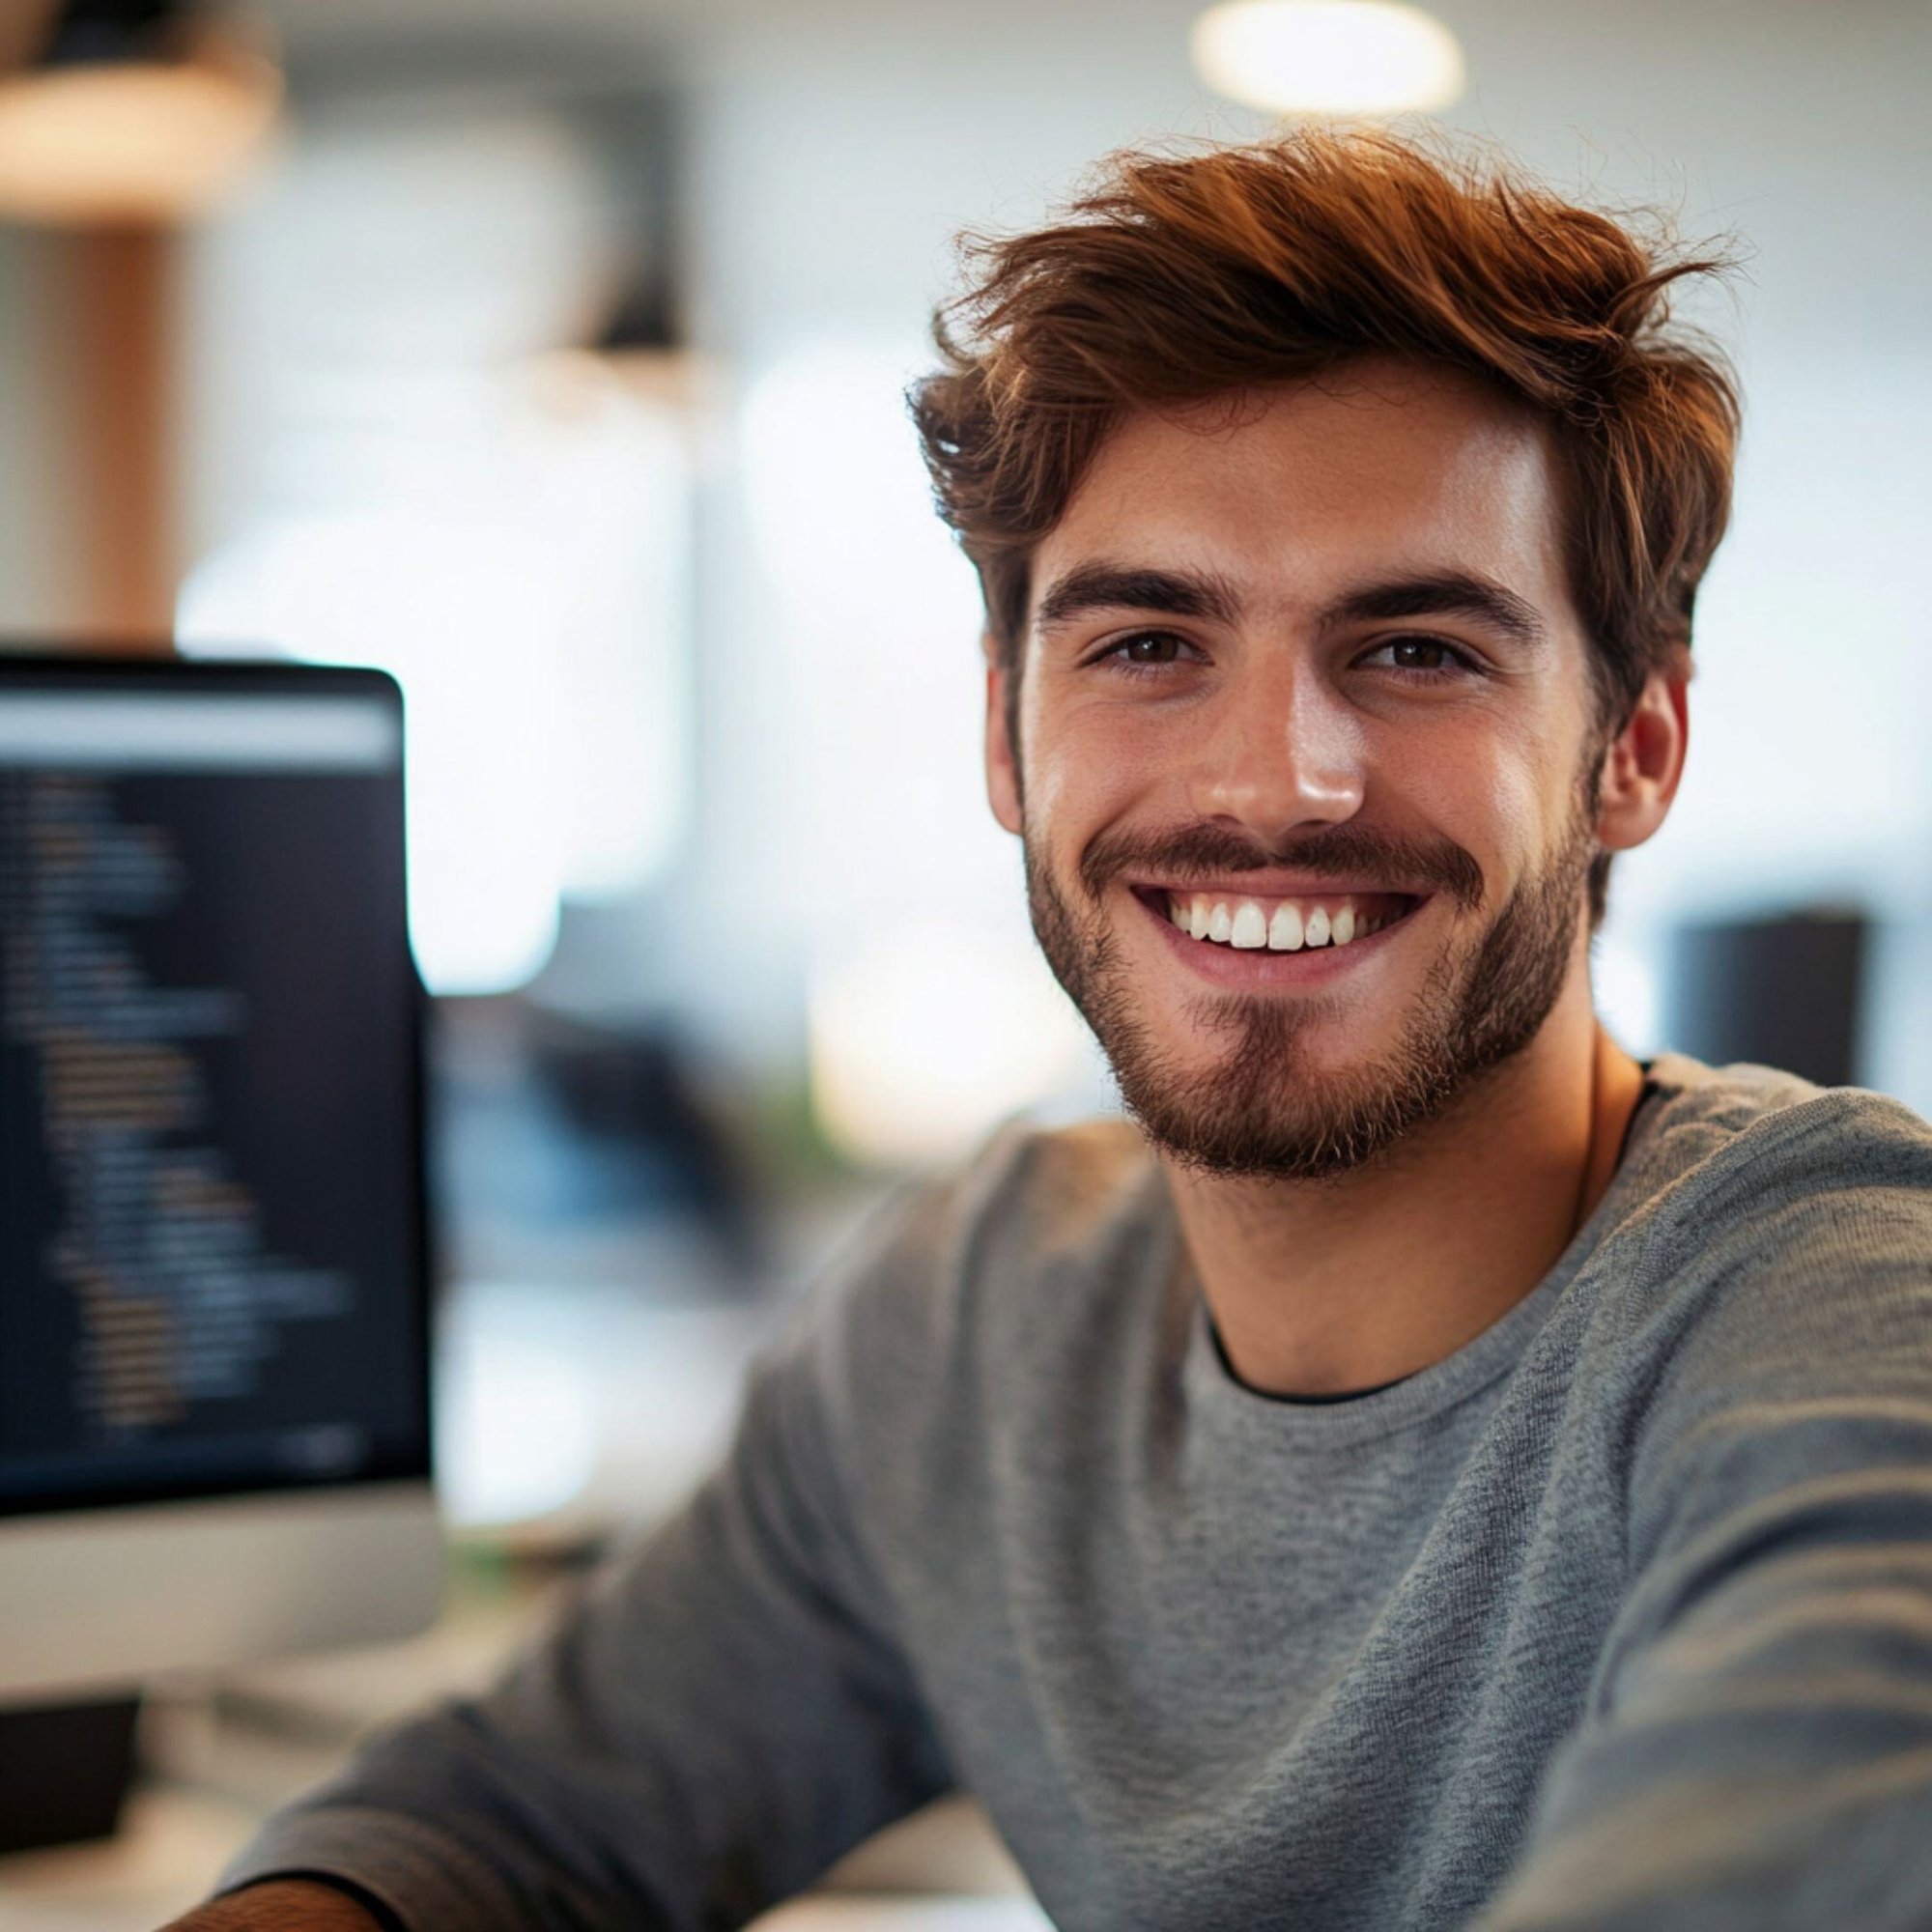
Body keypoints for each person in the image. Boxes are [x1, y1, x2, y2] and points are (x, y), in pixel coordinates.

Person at [168, 129, 1932, 1931]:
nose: (1275, 783)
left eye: (1417, 650)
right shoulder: (984, 1318)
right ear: (1008, 739)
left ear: (1634, 748)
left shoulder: (1844, 1299)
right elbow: (510, 1818)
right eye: (1150, 643)